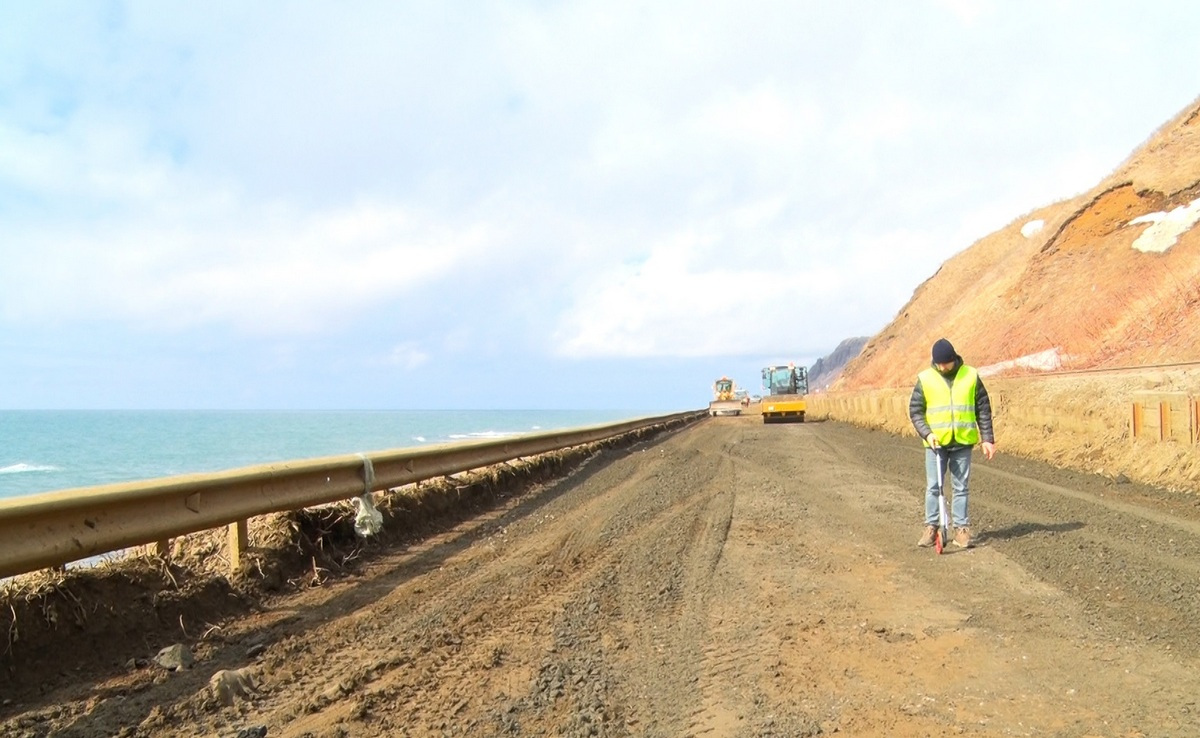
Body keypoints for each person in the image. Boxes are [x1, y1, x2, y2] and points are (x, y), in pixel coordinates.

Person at [908, 338, 996, 549]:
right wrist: (927, 434)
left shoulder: (970, 376)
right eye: (938, 363)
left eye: (945, 363)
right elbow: (916, 411)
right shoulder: (925, 379)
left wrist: (987, 439)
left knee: (961, 488)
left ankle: (961, 530)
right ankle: (931, 527)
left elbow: (982, 408)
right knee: (933, 487)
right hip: (936, 444)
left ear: (953, 359)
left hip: (963, 441)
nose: (941, 367)